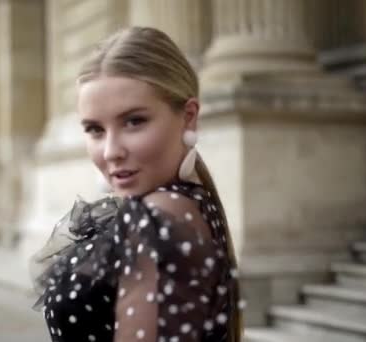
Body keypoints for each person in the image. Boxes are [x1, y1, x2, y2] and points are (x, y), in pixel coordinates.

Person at [31, 26, 244, 342]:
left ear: (188, 117)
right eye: (95, 130)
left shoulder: (158, 218)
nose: (111, 152)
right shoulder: (187, 204)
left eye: (134, 121)